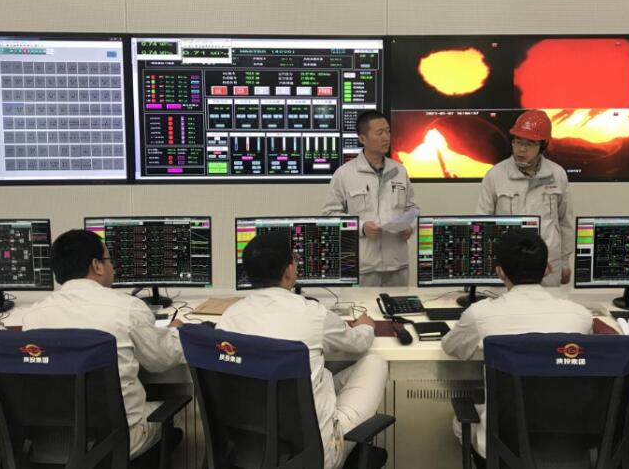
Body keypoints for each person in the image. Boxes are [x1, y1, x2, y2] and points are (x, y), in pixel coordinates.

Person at [218, 231, 387, 469]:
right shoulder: (312, 313)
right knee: (375, 363)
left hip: (250, 452)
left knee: (321, 376)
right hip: (316, 455)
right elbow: (358, 344)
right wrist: (366, 327)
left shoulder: (229, 318)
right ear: (289, 270)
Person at [20, 230, 185, 459]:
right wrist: (176, 332)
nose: (112, 267)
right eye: (109, 260)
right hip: (117, 441)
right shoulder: (127, 308)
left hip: (54, 444)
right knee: (176, 418)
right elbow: (161, 360)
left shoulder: (32, 317)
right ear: (97, 266)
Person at [441, 229, 592, 459]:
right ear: (547, 269)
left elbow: (450, 347)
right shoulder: (580, 316)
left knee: (461, 423)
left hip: (504, 443)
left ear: (499, 272)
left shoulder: (480, 314)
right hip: (568, 443)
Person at [476, 110, 574, 286]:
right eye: (518, 141)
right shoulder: (495, 175)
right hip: (509, 265)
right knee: (509, 304)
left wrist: (565, 261)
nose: (522, 149)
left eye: (530, 143)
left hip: (548, 265)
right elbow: (482, 223)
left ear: (543, 145)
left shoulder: (557, 174)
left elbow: (565, 222)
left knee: (547, 305)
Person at [322, 110, 416, 286]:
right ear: (362, 138)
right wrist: (362, 227)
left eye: (388, 131)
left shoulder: (399, 171)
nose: (386, 137)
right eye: (379, 133)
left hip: (398, 265)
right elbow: (329, 216)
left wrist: (409, 227)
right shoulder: (345, 174)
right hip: (362, 267)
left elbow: (412, 208)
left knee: (399, 304)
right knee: (360, 304)